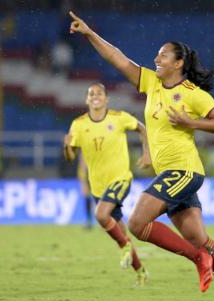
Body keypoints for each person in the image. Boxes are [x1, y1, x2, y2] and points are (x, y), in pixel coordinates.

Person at [69, 12, 214, 301]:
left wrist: (189, 122)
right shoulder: (152, 83)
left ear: (178, 63)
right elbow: (117, 58)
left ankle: (198, 259)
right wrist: (90, 33)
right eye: (157, 54)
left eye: (163, 55)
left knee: (139, 223)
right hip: (172, 174)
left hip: (184, 171)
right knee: (201, 240)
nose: (157, 58)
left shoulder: (192, 94)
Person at [63, 82, 150, 286]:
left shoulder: (119, 118)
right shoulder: (78, 124)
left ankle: (125, 247)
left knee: (101, 215)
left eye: (99, 93)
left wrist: (147, 153)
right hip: (97, 187)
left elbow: (142, 129)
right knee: (121, 232)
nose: (95, 96)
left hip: (120, 179)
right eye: (91, 93)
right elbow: (70, 156)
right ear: (87, 99)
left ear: (106, 99)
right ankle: (141, 272)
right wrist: (67, 147)